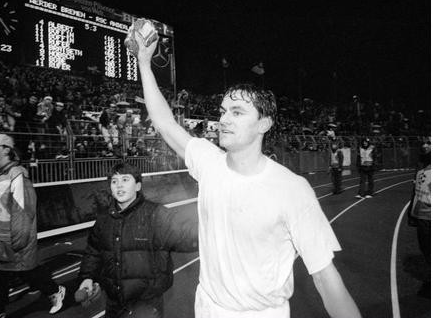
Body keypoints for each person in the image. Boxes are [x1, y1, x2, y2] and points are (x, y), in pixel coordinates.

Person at [133, 29, 361, 318]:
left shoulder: (291, 189)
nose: (224, 119)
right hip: (207, 308)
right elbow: (165, 122)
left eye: (237, 112)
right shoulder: (209, 161)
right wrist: (144, 62)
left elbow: (327, 280)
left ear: (264, 124)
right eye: (223, 111)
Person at [78, 163, 198, 318]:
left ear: (137, 186)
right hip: (114, 304)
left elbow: (187, 235)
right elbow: (93, 251)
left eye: (125, 180)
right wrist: (88, 277)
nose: (119, 185)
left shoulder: (156, 215)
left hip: (146, 306)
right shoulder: (103, 219)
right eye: (114, 181)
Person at [0, 133, 66, 318]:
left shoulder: (18, 174)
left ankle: (54, 291)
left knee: (27, 271)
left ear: (6, 150)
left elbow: (24, 210)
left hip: (12, 237)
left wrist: (18, 240)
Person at [407, 142, 431, 298]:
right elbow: (415, 194)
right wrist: (411, 215)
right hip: (422, 217)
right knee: (427, 252)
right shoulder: (421, 172)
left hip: (429, 217)